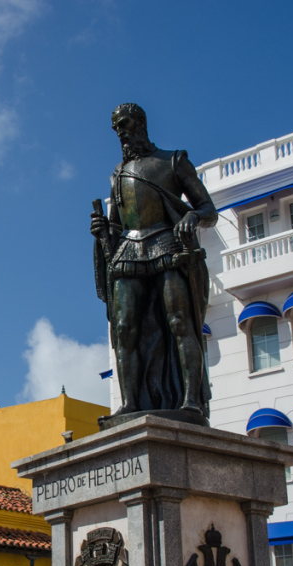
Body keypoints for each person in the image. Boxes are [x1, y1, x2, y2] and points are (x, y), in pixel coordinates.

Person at [91, 103, 217, 424]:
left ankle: (191, 401)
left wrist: (192, 214)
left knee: (179, 322)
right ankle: (130, 402)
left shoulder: (173, 161)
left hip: (166, 243)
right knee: (124, 330)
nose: (121, 131)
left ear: (141, 123)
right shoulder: (118, 174)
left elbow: (208, 209)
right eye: (116, 127)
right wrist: (103, 231)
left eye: (125, 123)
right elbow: (117, 227)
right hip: (128, 251)